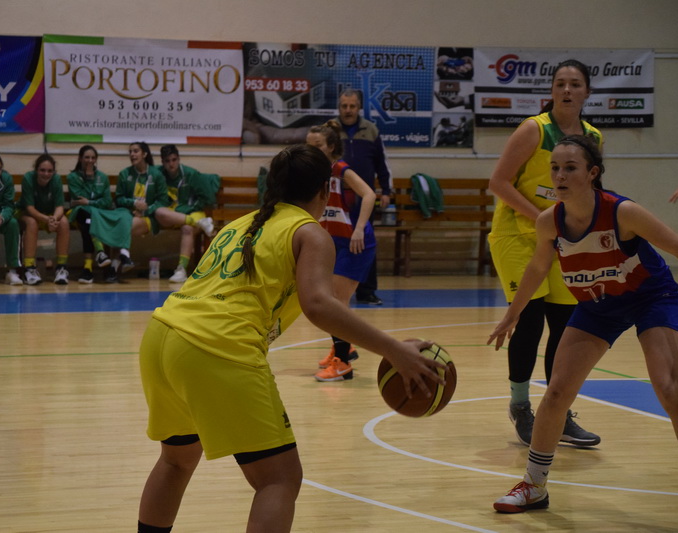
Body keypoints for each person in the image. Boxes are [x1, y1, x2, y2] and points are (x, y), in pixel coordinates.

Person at [137, 144, 447, 533]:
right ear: (325, 190)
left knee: (176, 461)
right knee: (279, 479)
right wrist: (394, 350)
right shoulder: (309, 232)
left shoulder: (241, 224)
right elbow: (319, 304)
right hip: (216, 346)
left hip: (162, 336)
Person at [488, 135, 678, 527]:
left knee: (669, 388)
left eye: (570, 168)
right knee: (557, 392)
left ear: (592, 173)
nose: (559, 175)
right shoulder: (549, 221)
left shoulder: (623, 212)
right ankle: (534, 485)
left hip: (650, 297)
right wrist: (512, 314)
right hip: (598, 305)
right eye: (555, 168)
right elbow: (538, 267)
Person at [487, 59, 601, 447]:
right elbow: (498, 182)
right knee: (530, 320)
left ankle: (558, 410)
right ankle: (520, 406)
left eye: (575, 84)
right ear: (551, 91)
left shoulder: (593, 138)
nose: (567, 90)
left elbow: (592, 190)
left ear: (587, 92)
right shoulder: (533, 129)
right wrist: (541, 218)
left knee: (566, 326)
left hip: (563, 238)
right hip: (517, 235)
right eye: (560, 83)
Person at [306, 120, 377, 382]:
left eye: (317, 146)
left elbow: (369, 195)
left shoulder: (340, 169)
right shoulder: (316, 173)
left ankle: (343, 364)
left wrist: (358, 229)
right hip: (334, 241)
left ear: (331, 147)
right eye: (308, 145)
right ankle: (344, 348)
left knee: (336, 302)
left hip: (355, 241)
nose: (311, 150)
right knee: (331, 300)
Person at [336, 89, 392, 305]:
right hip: (337, 198)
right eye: (344, 106)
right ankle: (333, 291)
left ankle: (367, 292)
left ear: (359, 107)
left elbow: (381, 163)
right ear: (339, 107)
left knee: (365, 240)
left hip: (364, 199)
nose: (348, 110)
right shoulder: (330, 130)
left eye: (352, 106)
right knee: (334, 243)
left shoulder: (371, 130)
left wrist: (386, 190)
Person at [66, 145, 132, 284]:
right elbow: (79, 199)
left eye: (93, 158)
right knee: (87, 218)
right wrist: (88, 179)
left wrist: (90, 202)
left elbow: (107, 201)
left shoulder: (102, 177)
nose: (90, 160)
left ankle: (89, 268)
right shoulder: (73, 177)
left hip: (99, 213)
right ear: (80, 158)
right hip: (80, 212)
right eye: (86, 157)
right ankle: (99, 253)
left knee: (95, 220)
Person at [153, 144, 217, 283]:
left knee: (187, 228)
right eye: (167, 161)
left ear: (179, 159)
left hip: (193, 212)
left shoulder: (191, 174)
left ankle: (181, 270)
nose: (171, 164)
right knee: (159, 212)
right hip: (173, 214)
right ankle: (199, 223)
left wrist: (190, 208)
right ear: (162, 162)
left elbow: (208, 198)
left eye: (174, 160)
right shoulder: (158, 174)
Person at [115, 142, 169, 280]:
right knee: (122, 223)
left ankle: (116, 264)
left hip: (149, 216)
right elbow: (119, 199)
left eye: (136, 151)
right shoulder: (125, 174)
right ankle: (121, 259)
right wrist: (133, 203)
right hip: (128, 213)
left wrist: (146, 210)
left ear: (144, 154)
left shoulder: (156, 175)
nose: (132, 154)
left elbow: (163, 201)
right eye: (130, 152)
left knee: (126, 225)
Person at [19, 154, 70, 285]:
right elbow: (30, 208)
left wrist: (54, 219)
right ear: (36, 170)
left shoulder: (56, 179)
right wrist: (48, 220)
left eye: (49, 171)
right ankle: (29, 268)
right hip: (28, 214)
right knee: (32, 223)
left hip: (49, 215)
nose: (46, 174)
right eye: (42, 170)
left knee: (64, 222)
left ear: (53, 172)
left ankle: (61, 268)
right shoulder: (28, 178)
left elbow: (59, 206)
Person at [0, 154, 23, 285]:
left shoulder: (6, 179)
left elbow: (9, 205)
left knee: (12, 224)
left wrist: (1, 217)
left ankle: (12, 271)